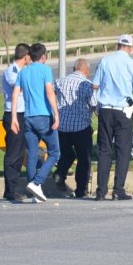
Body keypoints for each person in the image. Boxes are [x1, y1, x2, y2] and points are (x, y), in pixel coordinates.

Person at [92, 34, 133, 201]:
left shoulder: (105, 61)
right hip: (123, 112)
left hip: (105, 110)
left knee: (104, 150)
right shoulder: (132, 64)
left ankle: (100, 191)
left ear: (117, 45)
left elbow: (95, 85)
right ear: (131, 48)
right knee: (123, 150)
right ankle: (118, 190)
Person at [10, 43, 60, 203]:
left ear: (30, 56)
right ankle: (37, 182)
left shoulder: (23, 72)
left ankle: (34, 193)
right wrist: (56, 113)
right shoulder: (45, 70)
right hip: (43, 116)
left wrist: (13, 118)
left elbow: (15, 95)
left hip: (28, 116)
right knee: (54, 152)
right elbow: (49, 92)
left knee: (32, 153)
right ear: (43, 56)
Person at [53, 58, 95, 199]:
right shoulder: (86, 84)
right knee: (84, 158)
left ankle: (60, 173)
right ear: (86, 70)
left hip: (62, 127)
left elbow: (50, 94)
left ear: (74, 69)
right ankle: (80, 189)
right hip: (81, 127)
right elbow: (94, 104)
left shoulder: (60, 82)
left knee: (67, 154)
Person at [1, 43, 31, 201]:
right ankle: (10, 190)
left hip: (22, 114)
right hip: (13, 115)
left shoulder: (22, 71)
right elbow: (18, 86)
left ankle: (13, 188)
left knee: (20, 154)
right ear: (26, 56)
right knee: (13, 154)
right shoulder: (12, 71)